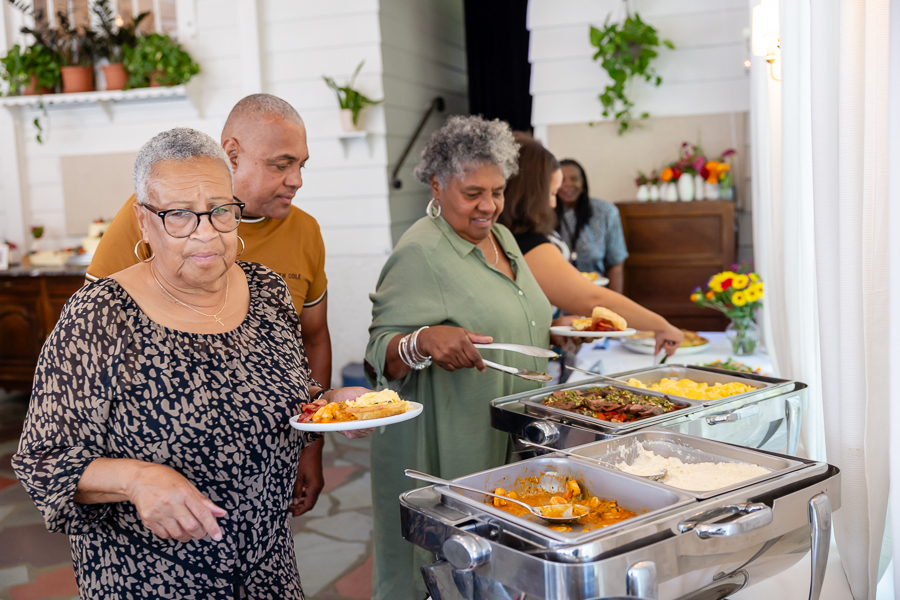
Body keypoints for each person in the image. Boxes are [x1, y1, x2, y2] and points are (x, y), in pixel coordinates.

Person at [13, 128, 370, 600]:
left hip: (266, 567)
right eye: (179, 214)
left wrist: (329, 404)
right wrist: (139, 480)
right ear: (144, 221)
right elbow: (42, 460)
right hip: (149, 578)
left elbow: (285, 391)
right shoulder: (99, 315)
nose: (206, 232)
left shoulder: (267, 292)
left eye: (221, 211)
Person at [86, 94, 329, 518]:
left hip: (262, 477)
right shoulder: (152, 215)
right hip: (160, 478)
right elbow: (89, 337)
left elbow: (313, 336)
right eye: (281, 164)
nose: (297, 180)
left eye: (301, 166)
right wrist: (129, 477)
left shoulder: (297, 242)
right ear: (232, 154)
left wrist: (313, 442)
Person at [365, 116, 570, 599]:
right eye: (473, 192)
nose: (489, 206)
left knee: (504, 562)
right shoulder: (421, 251)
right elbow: (378, 355)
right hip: (456, 438)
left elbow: (520, 311)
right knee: (452, 569)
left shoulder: (504, 239)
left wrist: (554, 335)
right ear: (437, 185)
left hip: (512, 429)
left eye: (497, 191)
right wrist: (422, 340)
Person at [499, 134, 683, 355]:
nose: (553, 203)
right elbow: (592, 299)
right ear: (530, 193)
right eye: (550, 193)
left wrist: (550, 330)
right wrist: (661, 326)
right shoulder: (525, 240)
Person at [555, 158, 629, 293]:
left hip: (596, 293)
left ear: (583, 182)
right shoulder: (543, 215)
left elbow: (616, 263)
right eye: (561, 180)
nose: (568, 185)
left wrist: (613, 304)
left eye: (574, 179)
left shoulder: (606, 212)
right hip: (556, 298)